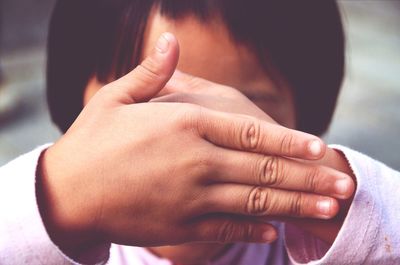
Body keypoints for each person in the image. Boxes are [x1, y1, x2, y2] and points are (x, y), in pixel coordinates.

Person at [0, 1, 398, 265]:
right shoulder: (58, 227)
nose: (193, 156)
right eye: (150, 110)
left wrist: (336, 198)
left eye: (242, 119)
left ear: (307, 114)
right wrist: (54, 199)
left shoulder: (316, 243)